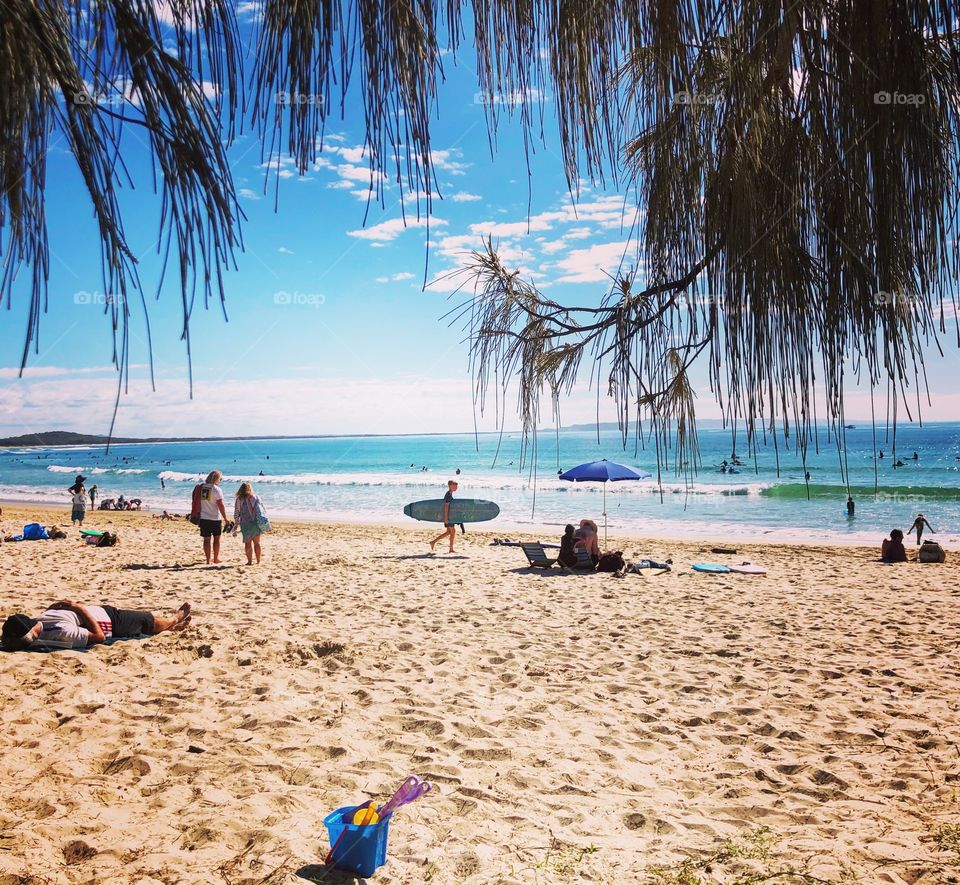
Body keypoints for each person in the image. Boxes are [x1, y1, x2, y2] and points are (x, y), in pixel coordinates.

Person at [2, 600, 191, 652]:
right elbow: (99, 636)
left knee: (145, 620)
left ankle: (170, 628)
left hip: (102, 612)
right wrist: (79, 608)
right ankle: (174, 619)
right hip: (111, 623)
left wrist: (56, 607)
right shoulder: (63, 633)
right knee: (149, 621)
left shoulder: (41, 619)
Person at [234, 482, 268, 565]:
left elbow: (236, 512)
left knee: (247, 543)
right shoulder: (256, 497)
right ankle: (258, 560)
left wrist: (236, 523)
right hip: (255, 523)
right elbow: (263, 509)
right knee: (257, 543)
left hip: (245, 524)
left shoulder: (239, 499)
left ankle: (249, 561)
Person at [198, 470, 228, 564]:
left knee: (206, 540)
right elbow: (220, 505)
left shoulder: (202, 488)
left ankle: (207, 560)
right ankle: (215, 559)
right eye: (220, 478)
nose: (220, 480)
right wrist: (226, 519)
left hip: (203, 517)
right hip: (215, 518)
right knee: (216, 539)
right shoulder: (216, 489)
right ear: (217, 478)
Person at [430, 480, 458, 553]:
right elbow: (446, 506)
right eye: (455, 486)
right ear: (450, 486)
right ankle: (451, 549)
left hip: (449, 516)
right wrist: (446, 518)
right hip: (448, 517)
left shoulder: (450, 494)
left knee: (449, 532)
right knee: (453, 532)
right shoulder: (448, 494)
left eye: (456, 486)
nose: (456, 487)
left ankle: (433, 542)